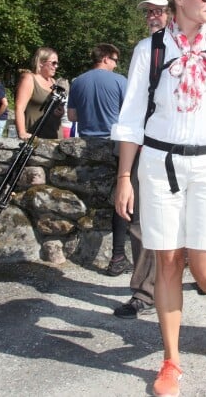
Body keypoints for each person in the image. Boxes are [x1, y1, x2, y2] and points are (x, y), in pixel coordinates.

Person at [112, 0, 206, 397]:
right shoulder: (149, 51)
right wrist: (124, 176)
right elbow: (133, 118)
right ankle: (171, 360)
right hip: (160, 165)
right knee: (168, 261)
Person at [114, 0, 169, 318]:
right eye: (148, 12)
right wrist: (125, 172)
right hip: (149, 145)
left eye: (157, 11)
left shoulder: (205, 44)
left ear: (173, 12)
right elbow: (131, 109)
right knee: (139, 222)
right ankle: (144, 293)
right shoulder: (144, 49)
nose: (151, 16)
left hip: (190, 149)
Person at [68, 43, 129, 276]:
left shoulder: (78, 81)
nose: (115, 64)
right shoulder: (120, 82)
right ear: (104, 58)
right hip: (113, 144)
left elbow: (72, 115)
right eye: (114, 59)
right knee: (121, 198)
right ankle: (118, 256)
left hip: (85, 145)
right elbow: (129, 114)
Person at [15, 47, 65, 140]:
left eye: (57, 63)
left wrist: (60, 112)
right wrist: (22, 132)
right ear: (41, 62)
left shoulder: (53, 81)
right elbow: (19, 108)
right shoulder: (29, 79)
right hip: (34, 136)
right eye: (53, 63)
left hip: (55, 136)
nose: (56, 66)